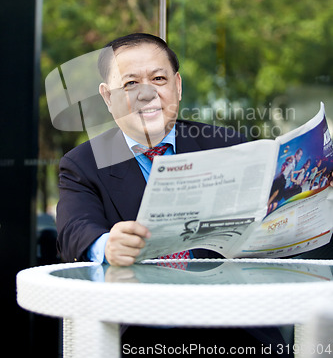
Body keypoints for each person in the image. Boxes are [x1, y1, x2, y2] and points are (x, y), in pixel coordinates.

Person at [55, 33, 299, 356]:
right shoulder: (82, 164)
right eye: (130, 84)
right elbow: (74, 230)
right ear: (106, 97)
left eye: (159, 78)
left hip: (233, 329)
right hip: (139, 334)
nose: (147, 93)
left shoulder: (231, 146)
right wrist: (107, 246)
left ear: (178, 86)